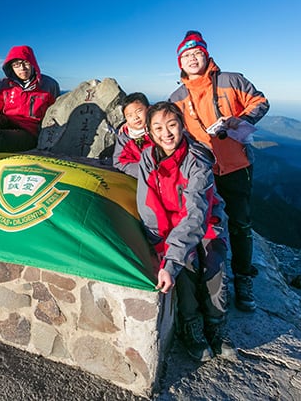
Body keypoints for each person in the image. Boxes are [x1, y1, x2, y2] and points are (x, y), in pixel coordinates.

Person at [169, 30, 269, 312]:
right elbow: (172, 132)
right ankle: (211, 283)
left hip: (237, 164)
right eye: (186, 55)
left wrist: (240, 120)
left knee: (240, 223)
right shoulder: (177, 96)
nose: (192, 58)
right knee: (205, 224)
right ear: (180, 62)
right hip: (201, 169)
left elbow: (261, 101)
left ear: (206, 54)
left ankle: (243, 278)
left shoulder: (231, 80)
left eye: (196, 53)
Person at [136, 101, 231, 361]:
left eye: (172, 125)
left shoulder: (197, 160)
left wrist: (173, 253)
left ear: (181, 126)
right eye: (158, 128)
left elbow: (197, 215)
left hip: (206, 224)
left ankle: (215, 325)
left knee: (214, 267)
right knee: (186, 268)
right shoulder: (148, 158)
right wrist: (162, 247)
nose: (166, 133)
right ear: (150, 133)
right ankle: (190, 325)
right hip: (172, 228)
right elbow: (149, 205)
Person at [0, 45, 60, 154]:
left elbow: (57, 113)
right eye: (16, 64)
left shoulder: (49, 85)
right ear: (11, 67)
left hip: (30, 131)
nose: (22, 68)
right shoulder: (4, 85)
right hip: (8, 122)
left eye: (25, 62)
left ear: (32, 63)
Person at [112, 92, 154, 179]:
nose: (135, 117)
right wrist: (144, 171)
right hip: (140, 179)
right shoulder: (125, 138)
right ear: (125, 119)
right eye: (129, 115)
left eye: (139, 111)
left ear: (149, 109)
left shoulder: (159, 130)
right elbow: (119, 162)